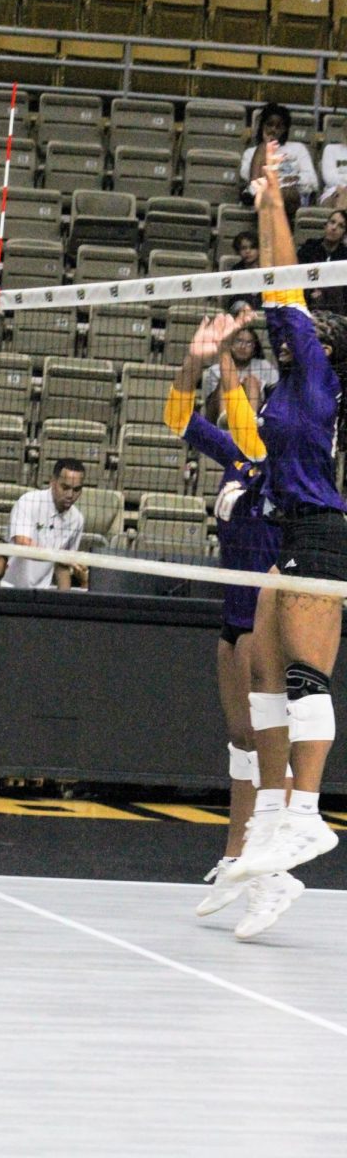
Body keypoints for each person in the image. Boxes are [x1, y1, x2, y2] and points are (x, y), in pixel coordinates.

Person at [222, 139, 347, 884]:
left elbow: (283, 287)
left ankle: (305, 813)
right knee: (262, 670)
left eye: (313, 329)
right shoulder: (292, 385)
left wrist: (273, 203)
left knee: (304, 677)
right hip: (292, 530)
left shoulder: (321, 380)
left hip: (325, 535)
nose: (298, 331)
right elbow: (281, 303)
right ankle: (270, 817)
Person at [164, 313, 302, 940]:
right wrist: (199, 360)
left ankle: (274, 873)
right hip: (232, 615)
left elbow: (238, 412)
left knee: (268, 742)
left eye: (262, 402)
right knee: (240, 741)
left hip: (265, 619)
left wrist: (227, 367)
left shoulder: (286, 469)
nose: (254, 405)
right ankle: (236, 855)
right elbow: (179, 420)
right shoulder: (241, 460)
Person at [5, 460, 85, 591]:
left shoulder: (77, 519)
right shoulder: (29, 502)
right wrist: (59, 556)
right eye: (65, 487)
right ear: (52, 482)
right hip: (10, 587)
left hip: (42, 591)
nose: (70, 495)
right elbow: (23, 545)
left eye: (76, 489)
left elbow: (62, 566)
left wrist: (64, 603)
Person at [241, 102, 318, 218]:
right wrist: (265, 147)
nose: (273, 129)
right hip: (265, 194)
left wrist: (285, 181)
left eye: (278, 126)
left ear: (284, 129)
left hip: (293, 198)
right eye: (269, 125)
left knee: (286, 192)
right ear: (262, 126)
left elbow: (312, 181)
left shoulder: (298, 148)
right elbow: (252, 180)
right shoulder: (252, 152)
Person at [202, 323, 276, 423]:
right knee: (226, 378)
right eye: (239, 341)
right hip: (218, 418)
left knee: (251, 381)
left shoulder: (265, 367)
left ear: (254, 349)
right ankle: (225, 418)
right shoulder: (214, 371)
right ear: (231, 344)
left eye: (249, 343)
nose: (243, 347)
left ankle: (252, 419)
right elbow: (208, 406)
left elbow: (276, 396)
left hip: (256, 416)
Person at [296, 209, 347, 315]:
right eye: (332, 222)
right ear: (325, 225)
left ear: (344, 234)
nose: (334, 228)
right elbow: (297, 275)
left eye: (340, 226)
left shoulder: (344, 255)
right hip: (306, 301)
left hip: (336, 307)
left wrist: (324, 292)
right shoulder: (309, 247)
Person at [225, 230, 261, 314]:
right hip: (241, 305)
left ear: (259, 250)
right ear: (238, 251)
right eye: (244, 248)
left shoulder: (268, 269)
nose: (248, 251)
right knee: (240, 306)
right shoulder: (235, 270)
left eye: (252, 247)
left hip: (263, 305)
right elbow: (236, 296)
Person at [319, 138, 347, 209]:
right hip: (332, 192)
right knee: (340, 196)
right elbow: (330, 179)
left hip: (340, 190)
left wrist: (341, 177)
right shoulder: (330, 149)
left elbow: (335, 177)